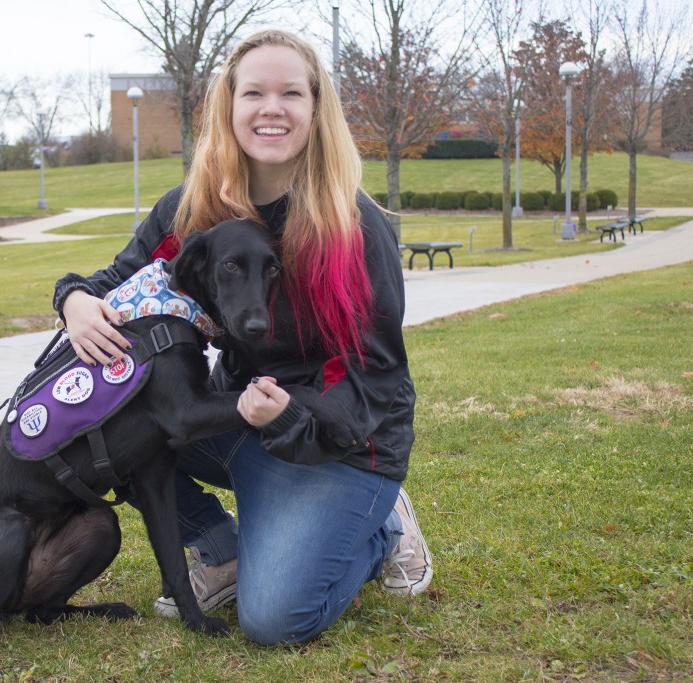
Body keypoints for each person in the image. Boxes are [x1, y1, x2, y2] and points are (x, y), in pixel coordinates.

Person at [51, 29, 431, 646]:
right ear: (230, 106)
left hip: (339, 441)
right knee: (107, 417)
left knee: (273, 619)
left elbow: (374, 377)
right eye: (253, 92)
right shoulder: (197, 208)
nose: (271, 108)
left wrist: (289, 418)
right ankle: (217, 544)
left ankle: (381, 525)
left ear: (316, 108)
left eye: (291, 93)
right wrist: (74, 301)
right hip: (235, 416)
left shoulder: (352, 226)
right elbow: (118, 280)